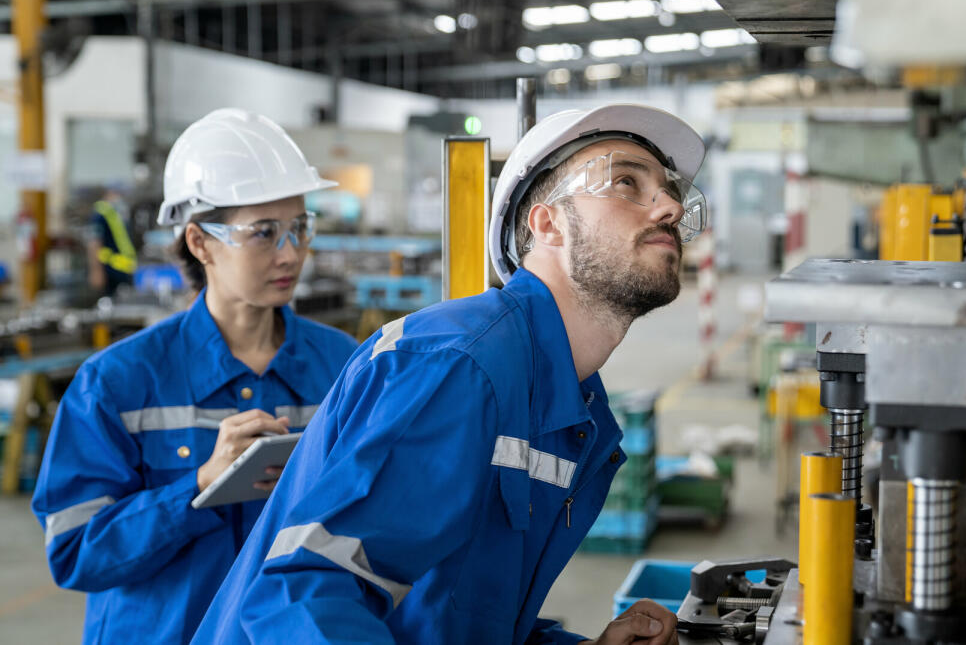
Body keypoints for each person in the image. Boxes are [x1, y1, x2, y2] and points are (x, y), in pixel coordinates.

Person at [192, 103, 708, 644]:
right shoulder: (461, 366)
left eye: (671, 191)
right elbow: (304, 602)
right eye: (626, 182)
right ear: (548, 224)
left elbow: (458, 620)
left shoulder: (575, 412)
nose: (670, 207)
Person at [32, 108, 359, 644]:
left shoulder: (342, 367)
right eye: (264, 233)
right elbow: (74, 554)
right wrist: (200, 485)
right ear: (200, 242)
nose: (292, 253)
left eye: (300, 228)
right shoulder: (117, 382)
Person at [87, 183, 137, 296]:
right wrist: (96, 270)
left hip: (123, 269)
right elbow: (94, 243)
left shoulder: (116, 214)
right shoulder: (100, 213)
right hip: (108, 270)